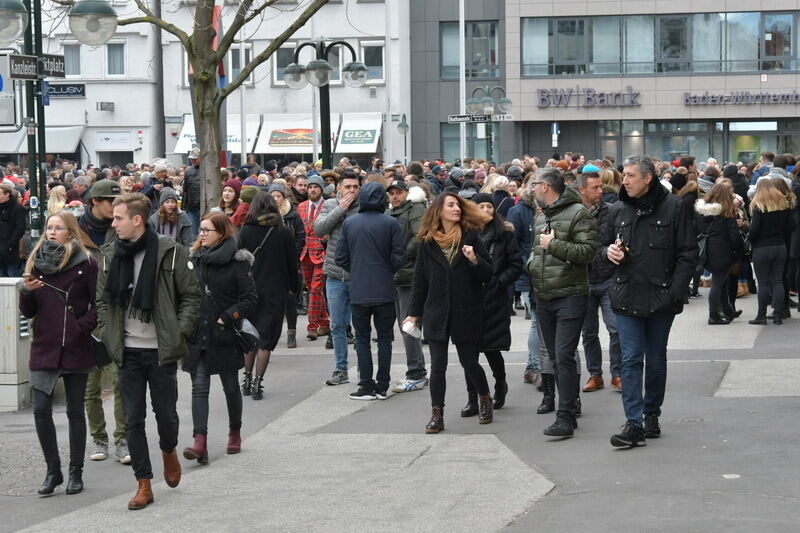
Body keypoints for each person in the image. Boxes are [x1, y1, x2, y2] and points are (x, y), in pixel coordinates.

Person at [95, 192, 201, 510]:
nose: (113, 222)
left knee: (166, 415)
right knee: (132, 420)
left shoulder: (171, 252)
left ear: (137, 220)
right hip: (126, 351)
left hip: (160, 350)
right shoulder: (110, 254)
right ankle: (144, 483)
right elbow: (101, 301)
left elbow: (192, 297)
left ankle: (169, 450)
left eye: (118, 218)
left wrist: (177, 332)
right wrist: (108, 334)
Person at [601, 156, 697, 448]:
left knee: (655, 359)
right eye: (623, 175)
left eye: (630, 175)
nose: (625, 180)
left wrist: (673, 292)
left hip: (660, 297)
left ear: (648, 178)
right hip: (626, 294)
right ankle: (634, 422)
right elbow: (598, 250)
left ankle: (651, 413)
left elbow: (688, 254)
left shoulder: (675, 207)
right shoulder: (618, 209)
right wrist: (608, 253)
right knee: (630, 359)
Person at [19, 211, 97, 496]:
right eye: (49, 228)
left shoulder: (86, 263)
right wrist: (26, 292)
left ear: (71, 232)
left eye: (58, 228)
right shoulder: (34, 261)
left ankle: (76, 472)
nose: (51, 232)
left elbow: (97, 304)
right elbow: (28, 311)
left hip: (76, 345)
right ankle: (53, 471)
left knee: (76, 411)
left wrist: (81, 327)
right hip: (44, 345)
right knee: (41, 411)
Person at [406, 193, 494, 433]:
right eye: (451, 205)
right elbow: (420, 281)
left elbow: (488, 274)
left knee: (469, 361)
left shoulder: (471, 237)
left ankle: (484, 398)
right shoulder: (427, 242)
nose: (456, 209)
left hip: (466, 310)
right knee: (438, 366)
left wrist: (474, 259)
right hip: (436, 312)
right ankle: (437, 415)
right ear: (439, 211)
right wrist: (413, 313)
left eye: (458, 205)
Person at [526, 168, 597, 438]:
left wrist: (554, 245)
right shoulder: (542, 216)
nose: (532, 190)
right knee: (556, 357)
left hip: (570, 295)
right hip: (544, 296)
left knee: (564, 355)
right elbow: (536, 252)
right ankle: (568, 406)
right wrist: (532, 266)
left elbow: (588, 252)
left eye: (534, 185)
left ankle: (565, 416)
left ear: (544, 186)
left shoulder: (578, 213)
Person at [182, 213, 257, 463]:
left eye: (207, 230)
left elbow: (249, 299)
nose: (201, 234)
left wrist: (227, 317)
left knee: (230, 386)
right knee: (199, 386)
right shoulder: (194, 260)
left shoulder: (237, 262)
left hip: (224, 334)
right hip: (199, 333)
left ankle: (234, 432)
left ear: (221, 233)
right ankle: (199, 441)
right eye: (200, 230)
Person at [335, 182, 405, 400]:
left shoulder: (350, 223)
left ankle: (366, 384)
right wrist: (386, 269)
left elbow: (340, 257)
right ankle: (382, 385)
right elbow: (399, 256)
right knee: (385, 339)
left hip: (359, 289)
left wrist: (356, 269)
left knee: (362, 339)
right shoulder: (391, 223)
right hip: (384, 288)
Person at [77, 179, 130, 464]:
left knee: (122, 380)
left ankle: (122, 439)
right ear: (95, 202)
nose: (115, 206)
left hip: (117, 313)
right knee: (91, 386)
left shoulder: (121, 230)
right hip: (86, 318)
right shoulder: (76, 233)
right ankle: (99, 438)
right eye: (111, 201)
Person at [459, 193, 521, 417]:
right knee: (469, 353)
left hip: (495, 300)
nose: (486, 210)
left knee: (492, 349)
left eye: (489, 206)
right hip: (470, 299)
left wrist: (499, 283)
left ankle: (500, 384)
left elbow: (516, 265)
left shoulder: (504, 234)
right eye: (481, 206)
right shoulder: (464, 234)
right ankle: (472, 398)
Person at [238, 192, 299, 400]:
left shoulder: (245, 231)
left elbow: (237, 261)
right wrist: (294, 288)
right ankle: (257, 383)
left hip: (250, 290)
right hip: (275, 290)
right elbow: (293, 264)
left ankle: (245, 379)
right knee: (266, 339)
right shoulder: (283, 232)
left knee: (250, 336)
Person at [576, 169, 622, 393]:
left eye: (600, 187)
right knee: (589, 332)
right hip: (582, 282)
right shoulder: (573, 213)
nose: (600, 191)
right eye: (595, 187)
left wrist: (616, 250)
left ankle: (618, 374)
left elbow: (618, 240)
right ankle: (595, 374)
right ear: (581, 190)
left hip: (607, 278)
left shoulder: (611, 211)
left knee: (616, 329)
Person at [314, 170, 361, 386]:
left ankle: (363, 368)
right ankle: (341, 369)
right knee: (337, 325)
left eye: (355, 187)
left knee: (361, 325)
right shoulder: (330, 205)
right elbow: (319, 229)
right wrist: (341, 208)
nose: (351, 191)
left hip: (359, 275)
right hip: (334, 274)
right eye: (348, 187)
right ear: (339, 188)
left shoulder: (364, 207)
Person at [386, 180, 429, 393]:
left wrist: (398, 257)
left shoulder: (415, 208)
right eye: (392, 193)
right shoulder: (392, 211)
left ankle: (416, 372)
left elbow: (420, 237)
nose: (395, 196)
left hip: (409, 275)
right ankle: (416, 369)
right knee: (406, 326)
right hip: (397, 275)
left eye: (399, 192)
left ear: (406, 192)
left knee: (409, 325)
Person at [747, 179, 795, 325]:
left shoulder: (758, 208)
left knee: (763, 283)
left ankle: (761, 316)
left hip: (762, 247)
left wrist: (750, 240)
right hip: (780, 246)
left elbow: (754, 230)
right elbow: (792, 225)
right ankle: (778, 315)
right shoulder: (784, 206)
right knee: (778, 281)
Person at [695, 183, 743, 324]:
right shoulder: (727, 211)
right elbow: (734, 236)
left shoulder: (701, 210)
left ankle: (727, 311)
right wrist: (739, 253)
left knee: (722, 280)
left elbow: (696, 229)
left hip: (706, 249)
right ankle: (714, 315)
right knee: (717, 283)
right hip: (722, 249)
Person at [269, 183, 305, 349]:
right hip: (271, 264)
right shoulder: (265, 217)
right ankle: (271, 333)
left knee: (290, 298)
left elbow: (300, 237)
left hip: (290, 263)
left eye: (278, 196)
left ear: (284, 197)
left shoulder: (292, 215)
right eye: (273, 196)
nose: (276, 199)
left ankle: (291, 332)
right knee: (272, 300)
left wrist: (292, 254)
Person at [297, 176, 330, 342]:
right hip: (305, 253)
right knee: (312, 290)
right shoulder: (301, 207)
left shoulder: (328, 206)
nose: (312, 190)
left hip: (322, 253)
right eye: (310, 187)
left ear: (321, 189)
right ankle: (325, 322)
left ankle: (312, 326)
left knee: (316, 289)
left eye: (316, 187)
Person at [0, 182, 26, 277]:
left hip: (10, 249)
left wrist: (11, 244)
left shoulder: (17, 208)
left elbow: (20, 228)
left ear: (7, 194)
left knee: (12, 276)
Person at [183, 149, 202, 236]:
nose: (192, 160)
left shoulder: (208, 170)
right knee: (193, 234)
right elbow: (185, 191)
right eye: (192, 158)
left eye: (195, 158)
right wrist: (184, 208)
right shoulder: (188, 171)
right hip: (192, 208)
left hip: (204, 206)